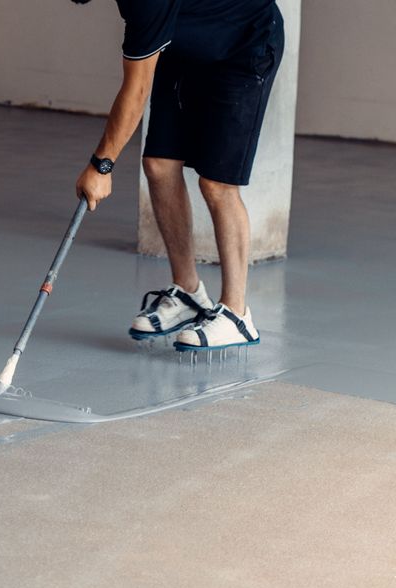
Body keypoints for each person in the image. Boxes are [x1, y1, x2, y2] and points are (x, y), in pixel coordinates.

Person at [70, 0, 284, 351]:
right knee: (158, 164)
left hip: (245, 45)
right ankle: (188, 294)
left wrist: (102, 165)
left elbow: (136, 91)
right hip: (186, 48)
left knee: (217, 184)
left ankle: (237, 315)